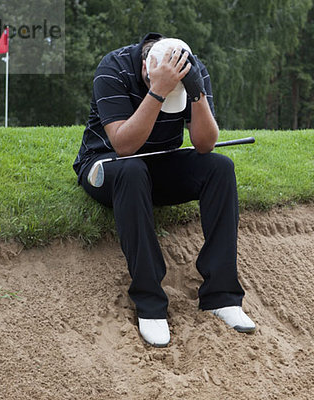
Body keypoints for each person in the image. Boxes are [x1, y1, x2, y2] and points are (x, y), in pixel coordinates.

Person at [73, 33, 255, 347]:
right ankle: (150, 303)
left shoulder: (191, 67)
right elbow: (124, 145)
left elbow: (204, 144)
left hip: (160, 163)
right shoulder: (113, 68)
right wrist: (158, 91)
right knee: (131, 169)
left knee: (220, 167)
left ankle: (222, 297)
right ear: (146, 66)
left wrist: (195, 92)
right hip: (106, 165)